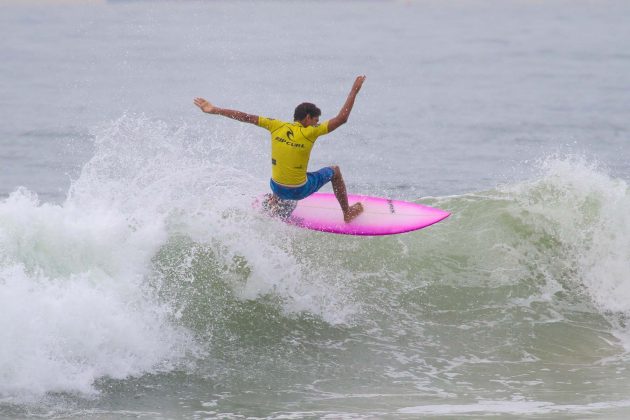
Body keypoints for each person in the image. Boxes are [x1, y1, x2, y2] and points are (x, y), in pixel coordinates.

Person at [194, 75, 366, 222]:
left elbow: (245, 117)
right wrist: (354, 91)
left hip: (275, 186)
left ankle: (275, 201)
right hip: (298, 190)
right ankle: (347, 212)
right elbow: (342, 119)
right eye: (315, 120)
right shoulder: (311, 132)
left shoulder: (275, 125)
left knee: (290, 171)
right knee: (334, 171)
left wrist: (215, 109)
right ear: (307, 118)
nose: (317, 123)